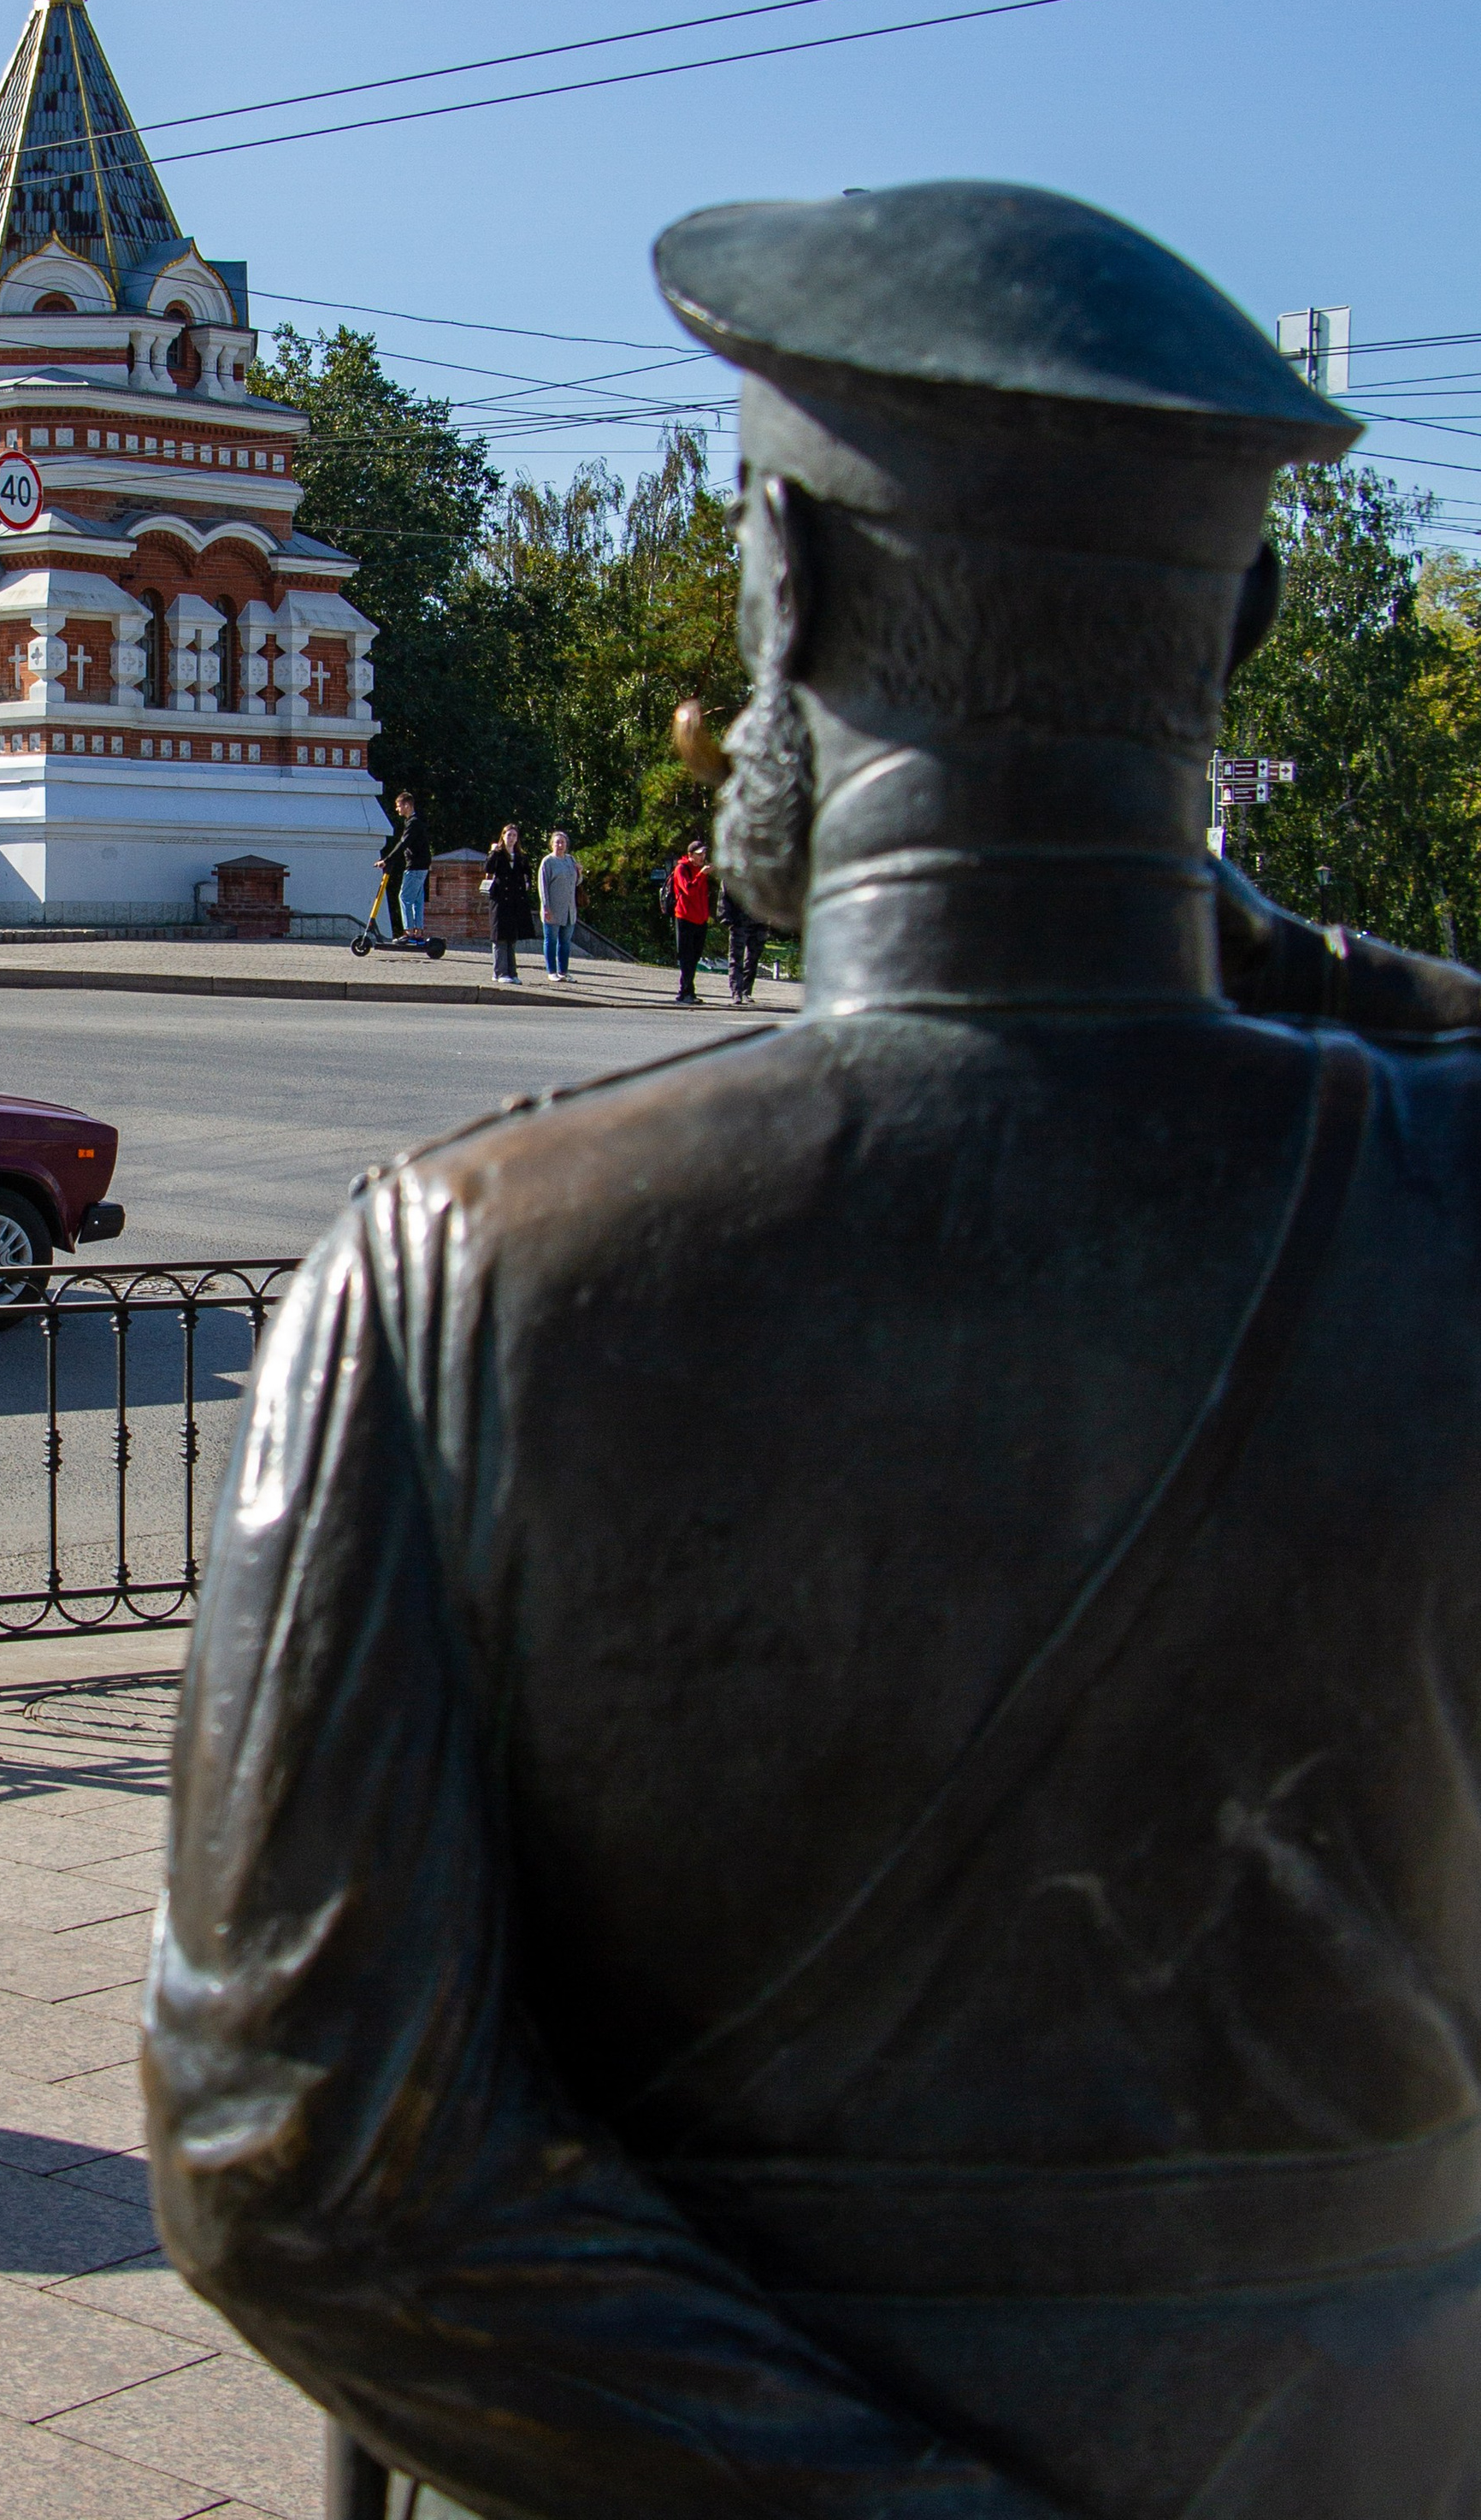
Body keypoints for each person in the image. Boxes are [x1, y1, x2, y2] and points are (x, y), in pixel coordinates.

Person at [144, 182, 1475, 2520]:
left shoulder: (459, 1272)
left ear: (782, 583)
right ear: (1248, 627)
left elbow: (299, 2154)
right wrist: (1172, 896)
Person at [482, 822, 532, 987]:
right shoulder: (497, 855)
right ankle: (500, 972)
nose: (511, 838)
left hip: (515, 902)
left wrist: (527, 884)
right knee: (500, 938)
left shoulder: (521, 857)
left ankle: (512, 972)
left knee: (512, 938)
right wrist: (493, 852)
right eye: (508, 835)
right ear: (503, 836)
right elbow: (487, 868)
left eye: (514, 835)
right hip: (499, 901)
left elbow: (527, 875)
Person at [376, 789, 430, 937]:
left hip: (415, 866)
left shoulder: (413, 823)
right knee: (417, 899)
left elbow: (403, 843)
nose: (397, 809)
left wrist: (386, 860)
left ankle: (409, 932)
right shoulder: (416, 822)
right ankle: (418, 931)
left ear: (407, 805)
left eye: (398, 805)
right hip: (422, 866)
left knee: (405, 898)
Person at [670, 835, 711, 1002]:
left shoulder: (701, 870)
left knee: (695, 957)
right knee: (686, 957)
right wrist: (701, 875)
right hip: (686, 918)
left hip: (700, 920)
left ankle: (687, 991)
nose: (702, 857)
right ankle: (685, 992)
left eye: (704, 854)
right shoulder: (682, 869)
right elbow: (688, 890)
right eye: (699, 854)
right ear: (690, 855)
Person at [538, 829, 580, 982]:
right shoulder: (548, 862)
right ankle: (551, 971)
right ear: (552, 845)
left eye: (562, 842)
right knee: (551, 940)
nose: (560, 845)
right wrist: (546, 906)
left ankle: (563, 971)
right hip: (553, 908)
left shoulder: (570, 860)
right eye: (557, 842)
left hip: (569, 910)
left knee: (565, 942)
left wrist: (579, 873)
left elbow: (576, 882)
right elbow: (542, 886)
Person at [720, 877, 765, 1006]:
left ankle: (746, 990)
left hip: (759, 921)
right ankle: (736, 992)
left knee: (753, 958)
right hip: (739, 921)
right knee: (736, 957)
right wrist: (726, 917)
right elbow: (725, 893)